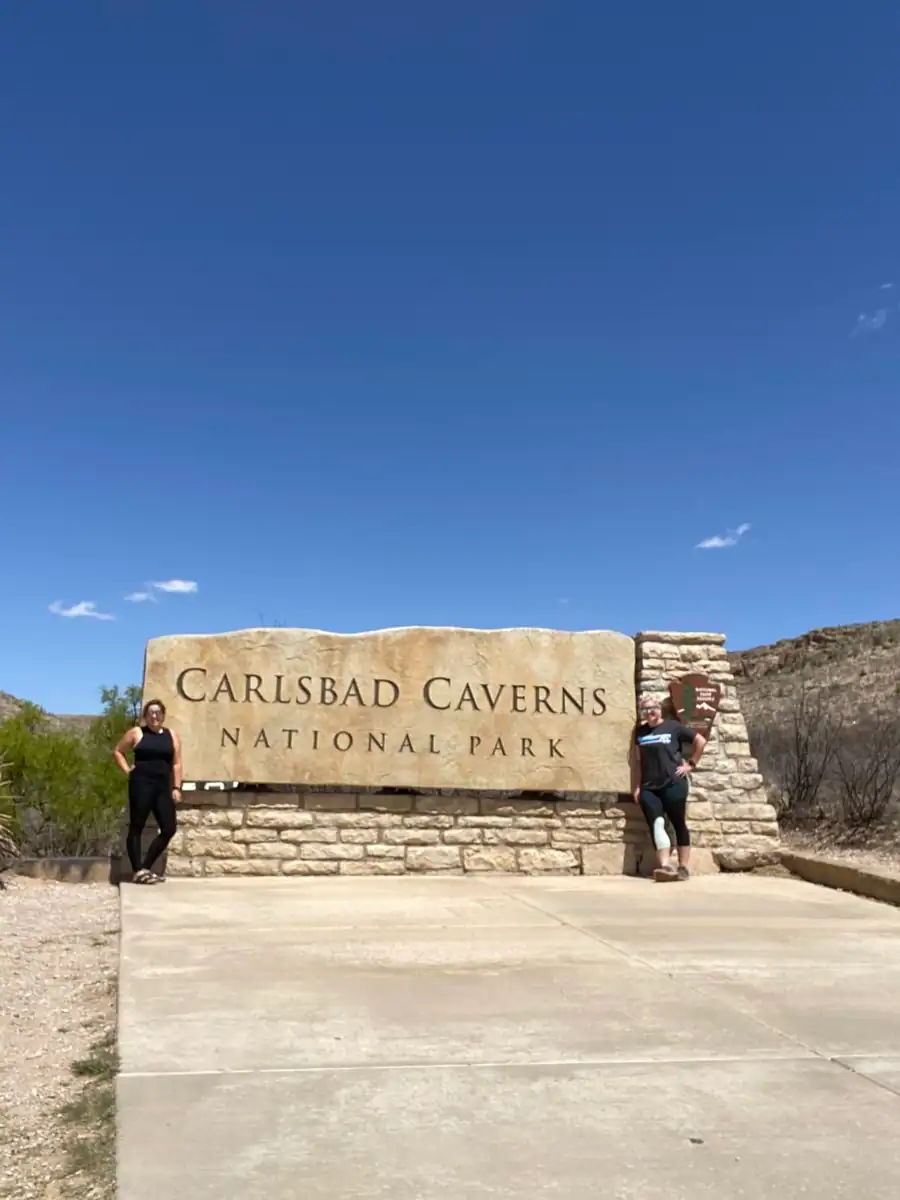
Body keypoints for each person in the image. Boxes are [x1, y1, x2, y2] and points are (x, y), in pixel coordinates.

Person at [631, 695, 707, 882]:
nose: (650, 712)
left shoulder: (673, 727)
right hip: (649, 787)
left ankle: (683, 867)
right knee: (656, 823)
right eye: (645, 709)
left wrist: (691, 764)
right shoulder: (640, 732)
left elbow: (700, 741)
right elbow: (638, 762)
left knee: (678, 822)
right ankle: (664, 866)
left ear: (660, 709)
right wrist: (637, 786)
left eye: (653, 708)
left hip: (673, 783)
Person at [114, 699, 182, 884]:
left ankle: (145, 867)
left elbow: (176, 763)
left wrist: (176, 787)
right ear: (145, 716)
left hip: (163, 786)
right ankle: (138, 870)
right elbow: (118, 751)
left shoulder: (172, 735)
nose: (154, 716)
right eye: (151, 713)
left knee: (169, 828)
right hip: (141, 784)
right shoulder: (137, 733)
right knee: (137, 826)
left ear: (163, 715)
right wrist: (128, 770)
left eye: (158, 712)